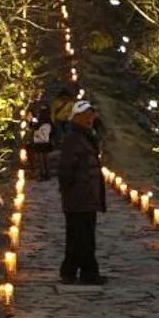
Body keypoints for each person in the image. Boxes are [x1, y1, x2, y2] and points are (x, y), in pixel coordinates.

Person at [53, 98, 106, 285]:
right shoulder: (74, 139)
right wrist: (70, 191)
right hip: (79, 196)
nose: (89, 118)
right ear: (76, 117)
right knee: (81, 236)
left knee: (81, 236)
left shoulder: (84, 136)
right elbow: (66, 169)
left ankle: (74, 271)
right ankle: (86, 272)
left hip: (85, 195)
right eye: (85, 115)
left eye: (91, 115)